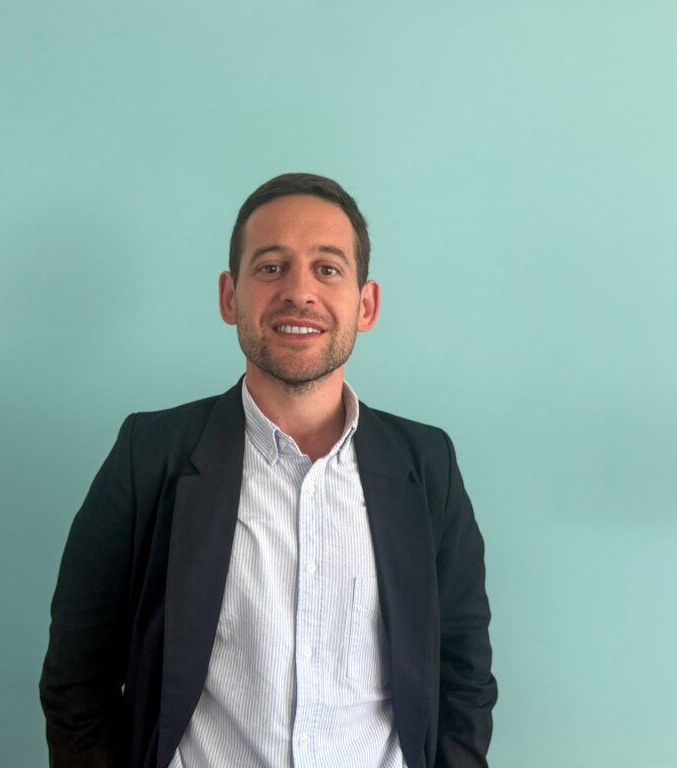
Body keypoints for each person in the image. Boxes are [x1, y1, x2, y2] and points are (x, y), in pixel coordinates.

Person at [40, 173, 497, 768]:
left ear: (366, 305)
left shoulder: (428, 466)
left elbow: (465, 675)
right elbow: (78, 677)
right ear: (230, 296)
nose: (299, 292)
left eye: (327, 269)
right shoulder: (148, 455)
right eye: (271, 267)